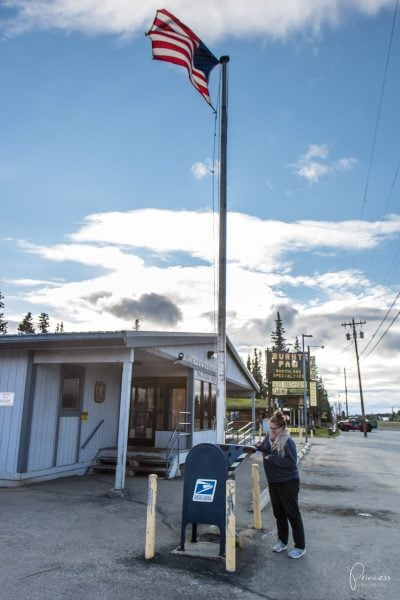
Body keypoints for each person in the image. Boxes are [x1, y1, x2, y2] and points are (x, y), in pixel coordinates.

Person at [256, 410, 306, 559]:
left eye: (274, 429)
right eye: (270, 428)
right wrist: (260, 447)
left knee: (292, 514)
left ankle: (300, 546)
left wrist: (272, 459)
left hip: (288, 482)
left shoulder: (287, 441)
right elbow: (267, 450)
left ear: (282, 428)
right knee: (279, 514)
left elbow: (291, 462)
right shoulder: (269, 438)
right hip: (273, 481)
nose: (271, 431)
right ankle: (282, 541)